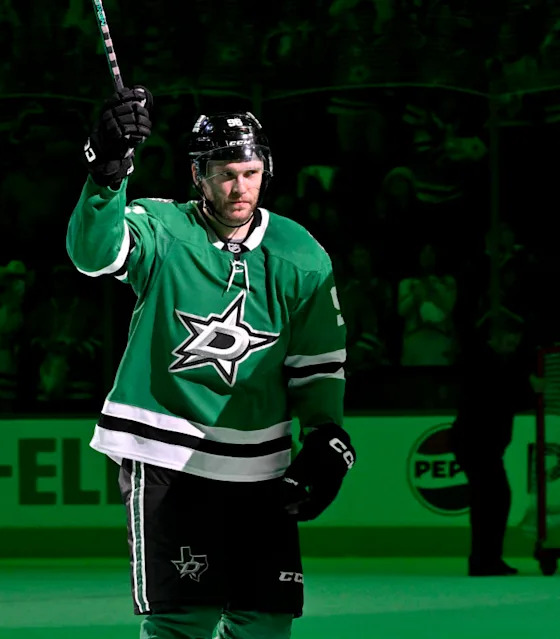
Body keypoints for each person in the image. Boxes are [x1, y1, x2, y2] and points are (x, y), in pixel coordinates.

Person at [67, 86, 356, 639]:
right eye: (225, 173)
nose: (239, 186)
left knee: (265, 624)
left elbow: (318, 364)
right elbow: (94, 254)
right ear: (198, 175)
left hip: (262, 464)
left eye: (249, 172)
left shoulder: (300, 253)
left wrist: (326, 434)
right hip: (167, 456)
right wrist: (105, 173)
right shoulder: (163, 228)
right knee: (184, 622)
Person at [449, 311, 540, 576]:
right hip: (477, 443)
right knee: (492, 498)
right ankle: (484, 559)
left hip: (480, 443)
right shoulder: (484, 363)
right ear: (495, 338)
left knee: (491, 498)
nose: (514, 345)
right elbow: (504, 395)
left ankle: (485, 558)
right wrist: (530, 388)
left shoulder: (491, 362)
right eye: (510, 340)